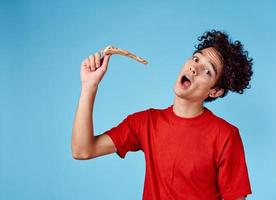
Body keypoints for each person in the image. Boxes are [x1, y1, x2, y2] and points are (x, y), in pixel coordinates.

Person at [71, 30, 253, 200]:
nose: (194, 69)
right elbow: (82, 150)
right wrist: (89, 86)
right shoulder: (146, 122)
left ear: (215, 91)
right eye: (196, 59)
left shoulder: (226, 136)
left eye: (207, 71)